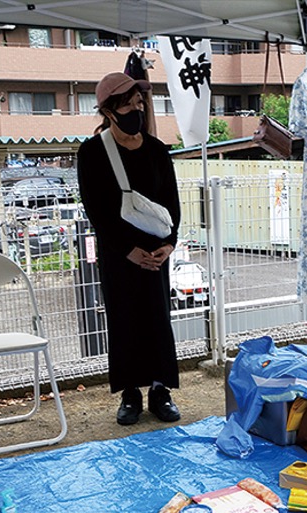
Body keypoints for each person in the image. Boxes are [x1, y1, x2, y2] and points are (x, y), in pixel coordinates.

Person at [78, 72, 182, 426]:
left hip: (156, 254)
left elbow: (172, 202)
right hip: (118, 254)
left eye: (140, 103)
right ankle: (129, 394)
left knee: (157, 318)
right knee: (124, 320)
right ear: (109, 111)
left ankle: (160, 390)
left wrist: (169, 244)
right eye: (129, 104)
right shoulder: (92, 152)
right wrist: (128, 250)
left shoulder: (156, 150)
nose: (137, 110)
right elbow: (96, 210)